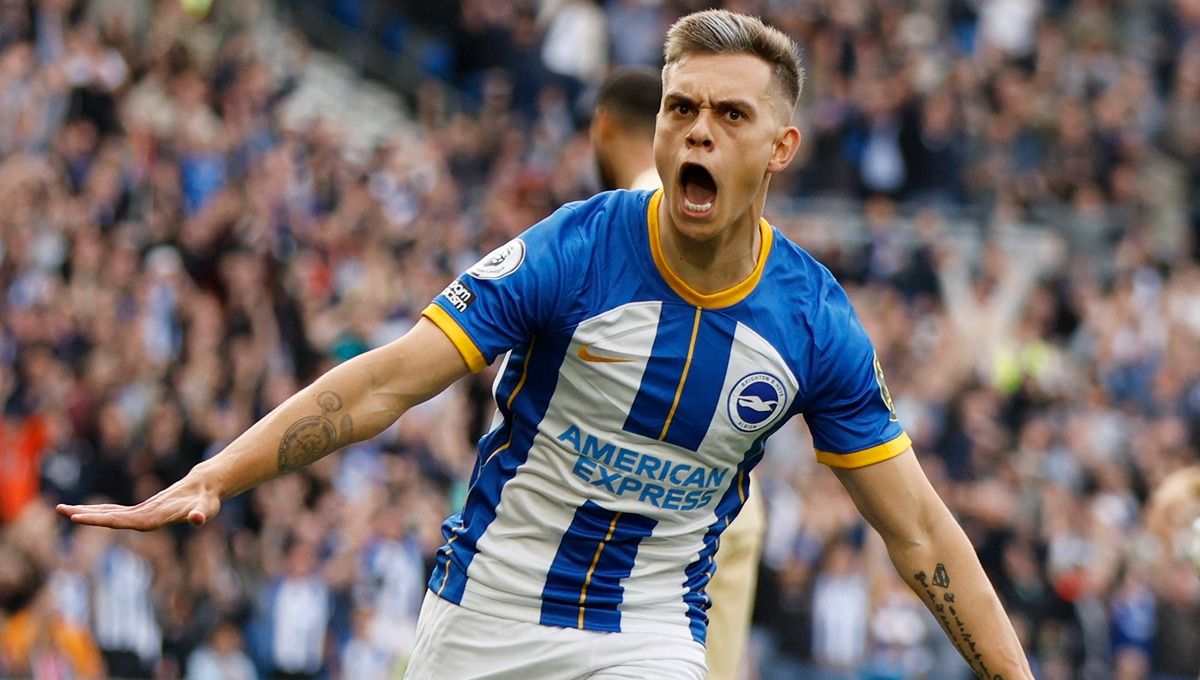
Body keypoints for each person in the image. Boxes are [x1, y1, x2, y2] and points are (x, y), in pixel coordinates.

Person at [58, 10, 1034, 679]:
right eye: (679, 108)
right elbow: (385, 384)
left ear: (779, 149)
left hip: (646, 632)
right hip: (484, 613)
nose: (697, 133)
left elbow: (919, 533)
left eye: (730, 114)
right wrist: (218, 474)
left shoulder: (814, 324)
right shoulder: (572, 252)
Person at [590, 65, 766, 680]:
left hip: (665, 514)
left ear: (602, 125)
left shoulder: (640, 212)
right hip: (722, 503)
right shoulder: (715, 212)